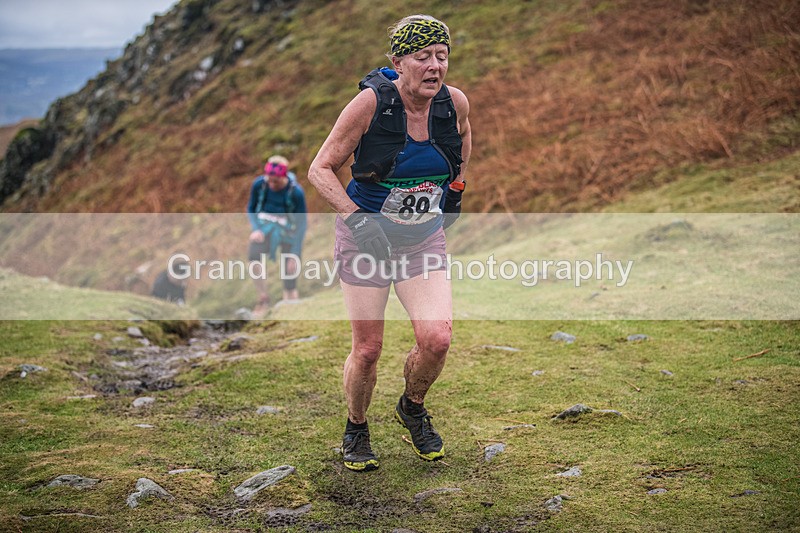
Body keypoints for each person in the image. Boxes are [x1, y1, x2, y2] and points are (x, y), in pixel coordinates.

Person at [308, 14, 471, 472]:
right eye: (423, 57)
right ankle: (356, 426)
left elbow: (463, 140)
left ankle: (412, 406)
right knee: (368, 349)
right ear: (399, 63)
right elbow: (320, 169)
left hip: (422, 240)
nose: (435, 66)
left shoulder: (453, 103)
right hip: (367, 242)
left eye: (442, 56)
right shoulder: (370, 105)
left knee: (437, 339)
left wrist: (456, 189)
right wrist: (358, 222)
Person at [247, 155, 307, 318]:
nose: (272, 185)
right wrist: (256, 229)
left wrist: (295, 254)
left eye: (276, 182)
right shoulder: (260, 185)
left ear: (284, 177)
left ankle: (291, 308)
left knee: (290, 273)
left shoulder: (296, 193)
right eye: (270, 180)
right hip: (265, 230)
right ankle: (263, 298)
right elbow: (251, 208)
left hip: (288, 233)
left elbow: (301, 225)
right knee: (253, 257)